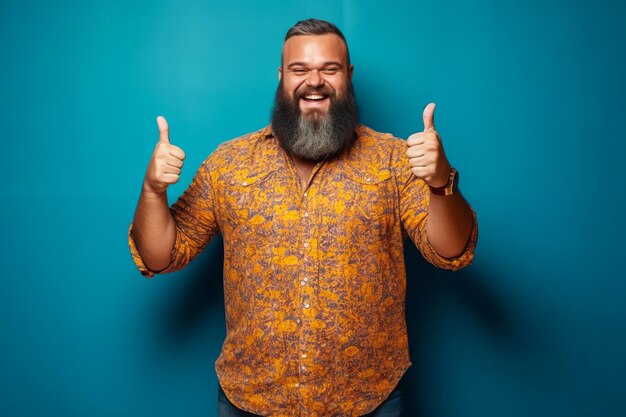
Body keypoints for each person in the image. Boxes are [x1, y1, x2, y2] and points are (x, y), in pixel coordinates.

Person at [129, 18, 477, 417]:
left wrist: (440, 182)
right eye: (300, 69)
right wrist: (153, 190)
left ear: (348, 75)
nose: (315, 81)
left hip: (368, 400)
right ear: (282, 76)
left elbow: (450, 251)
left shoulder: (393, 160)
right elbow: (160, 255)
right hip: (252, 400)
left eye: (329, 69)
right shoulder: (229, 164)